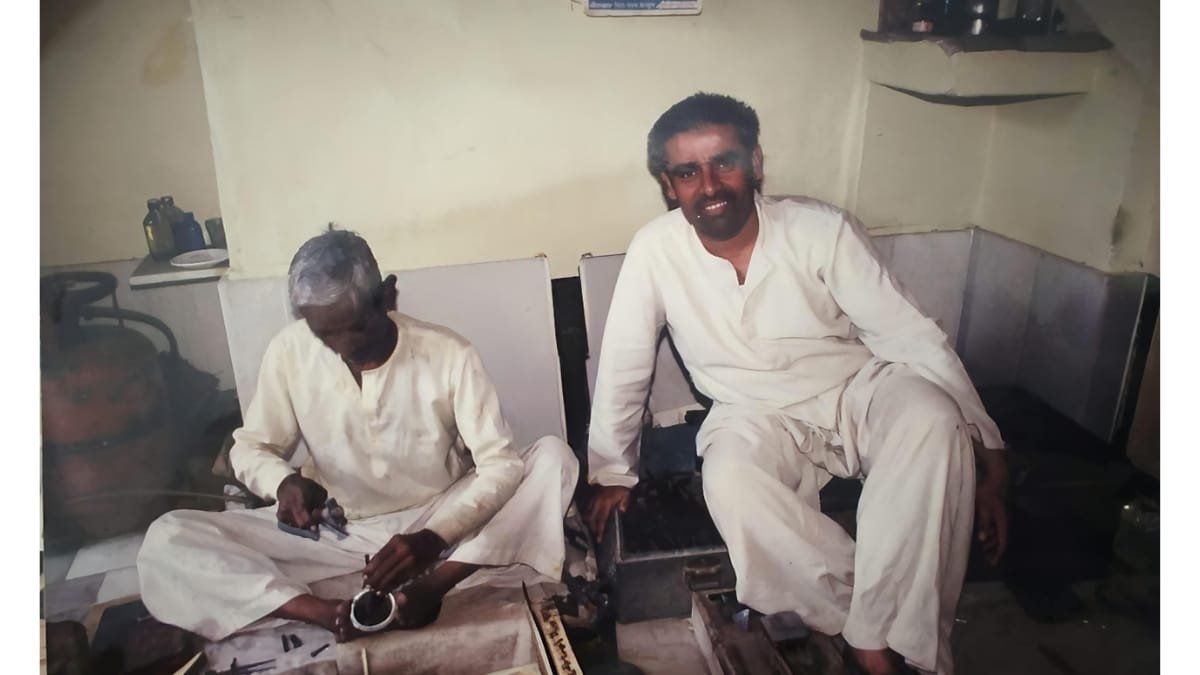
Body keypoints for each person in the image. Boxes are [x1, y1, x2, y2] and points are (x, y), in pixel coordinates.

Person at [585, 92, 1008, 675]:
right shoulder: (656, 250)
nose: (709, 185)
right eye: (688, 172)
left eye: (724, 162)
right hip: (749, 409)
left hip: (851, 388)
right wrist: (612, 470)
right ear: (669, 184)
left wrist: (986, 443)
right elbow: (624, 362)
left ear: (755, 162)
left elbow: (909, 335)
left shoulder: (820, 230)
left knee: (932, 418)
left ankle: (881, 639)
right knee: (730, 480)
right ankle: (867, 622)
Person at [138, 229, 579, 643]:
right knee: (168, 538)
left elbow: (500, 465)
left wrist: (434, 539)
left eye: (355, 327)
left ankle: (430, 588)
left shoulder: (449, 353)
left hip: (436, 517)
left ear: (387, 295)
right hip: (337, 531)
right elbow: (251, 447)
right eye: (325, 334)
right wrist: (283, 482)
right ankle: (326, 613)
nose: (344, 345)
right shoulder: (289, 351)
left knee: (554, 459)